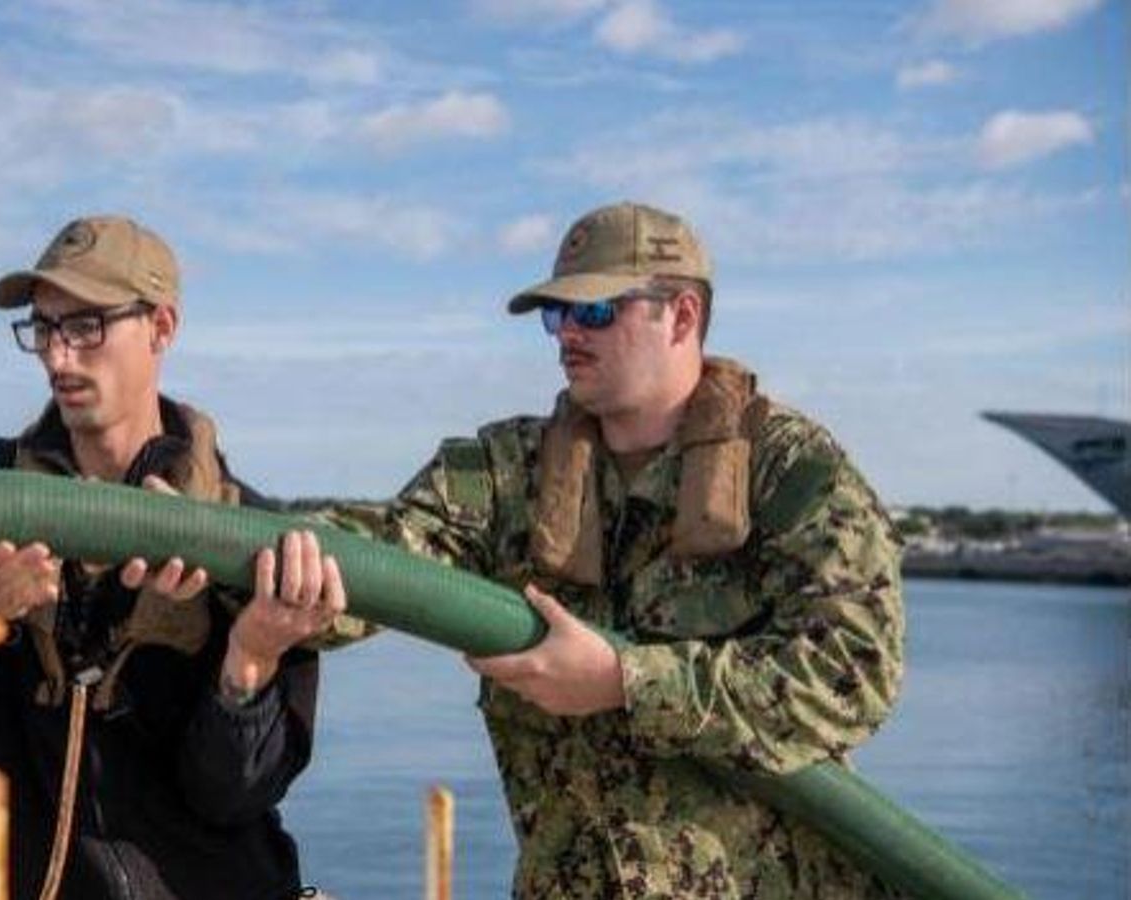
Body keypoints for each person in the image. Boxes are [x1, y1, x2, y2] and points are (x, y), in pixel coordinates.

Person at [332, 201, 906, 897]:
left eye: (596, 312)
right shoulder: (505, 471)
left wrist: (625, 682)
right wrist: (260, 571)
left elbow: (855, 670)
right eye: (557, 315)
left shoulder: (788, 474)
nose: (568, 334)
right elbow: (380, 557)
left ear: (683, 316)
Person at [0, 214, 344, 900]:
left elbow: (233, 796)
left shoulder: (250, 539)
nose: (58, 358)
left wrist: (248, 663)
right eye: (43, 328)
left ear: (162, 328)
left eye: (87, 326)